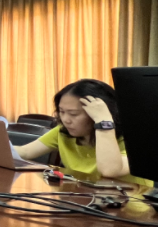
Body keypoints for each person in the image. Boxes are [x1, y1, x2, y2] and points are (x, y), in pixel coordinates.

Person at [15, 79, 152, 186]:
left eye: (73, 114)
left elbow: (110, 170)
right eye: (62, 112)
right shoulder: (62, 131)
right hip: (86, 198)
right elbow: (25, 152)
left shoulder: (133, 137)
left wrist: (104, 123)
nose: (66, 120)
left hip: (132, 206)